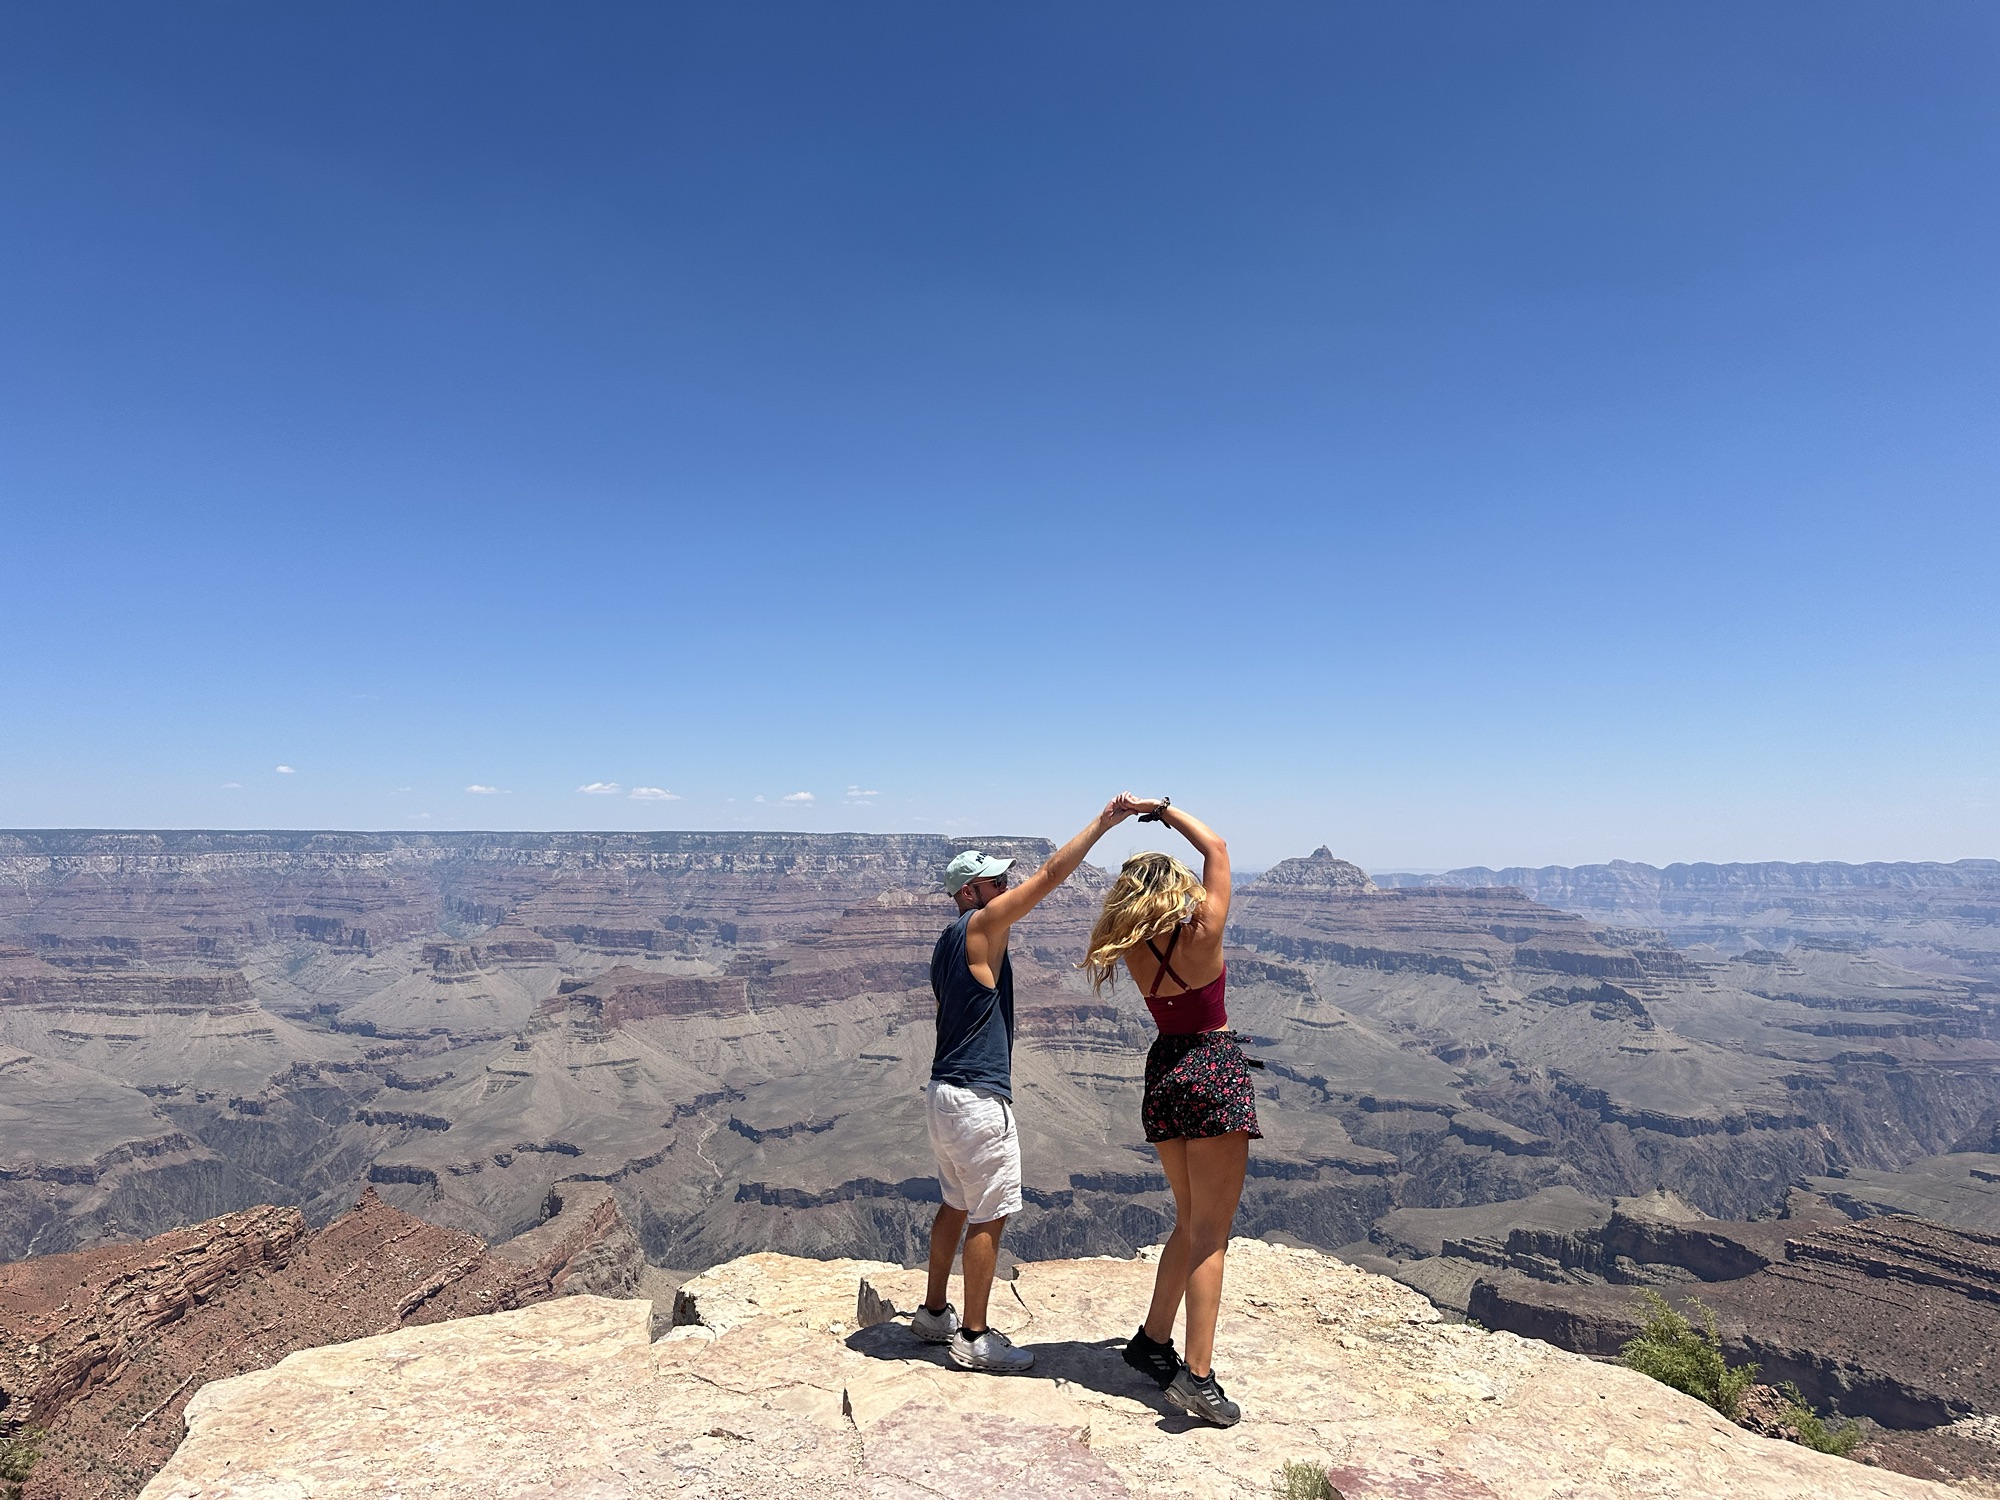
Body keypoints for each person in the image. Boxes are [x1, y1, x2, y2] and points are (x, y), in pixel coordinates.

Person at [911, 794, 1144, 1373]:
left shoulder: (945, 942)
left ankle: (933, 1314)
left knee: (953, 1205)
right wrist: (1104, 824)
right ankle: (974, 1336)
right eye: (992, 883)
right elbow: (1048, 877)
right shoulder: (983, 925)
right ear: (969, 893)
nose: (1002, 890)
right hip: (977, 1099)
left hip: (943, 1091)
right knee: (989, 1215)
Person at [1081, 797, 1254, 1426]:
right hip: (1213, 1069)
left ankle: (1153, 1343)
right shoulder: (1202, 930)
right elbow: (1219, 849)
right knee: (1211, 1235)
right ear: (1172, 889)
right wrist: (1163, 810)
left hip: (1165, 1072)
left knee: (1187, 1220)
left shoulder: (1131, 950)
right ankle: (1198, 1379)